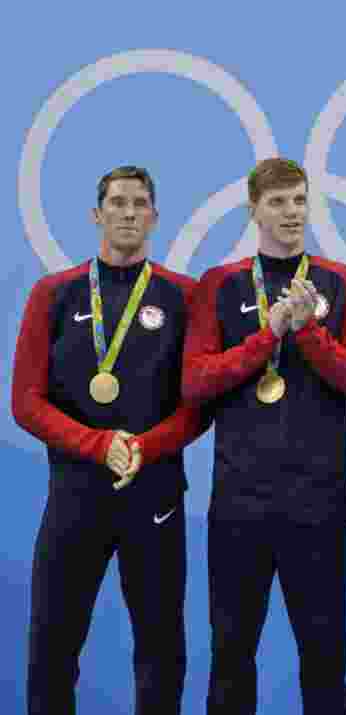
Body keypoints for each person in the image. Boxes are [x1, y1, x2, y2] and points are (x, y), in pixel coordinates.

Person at [182, 157, 346, 715]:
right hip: (239, 503)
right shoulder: (218, 285)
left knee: (324, 660)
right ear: (254, 211)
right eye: (278, 202)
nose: (291, 213)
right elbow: (195, 383)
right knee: (230, 657)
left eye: (299, 200)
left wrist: (309, 332)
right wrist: (266, 336)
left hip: (317, 503)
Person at [12, 166, 208, 715]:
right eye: (117, 203)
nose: (128, 212)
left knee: (161, 649)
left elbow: (198, 405)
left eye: (139, 203)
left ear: (154, 217)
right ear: (97, 215)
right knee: (52, 645)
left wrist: (147, 446)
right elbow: (25, 402)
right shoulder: (53, 294)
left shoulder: (183, 297)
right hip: (76, 496)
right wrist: (98, 444)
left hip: (155, 498)